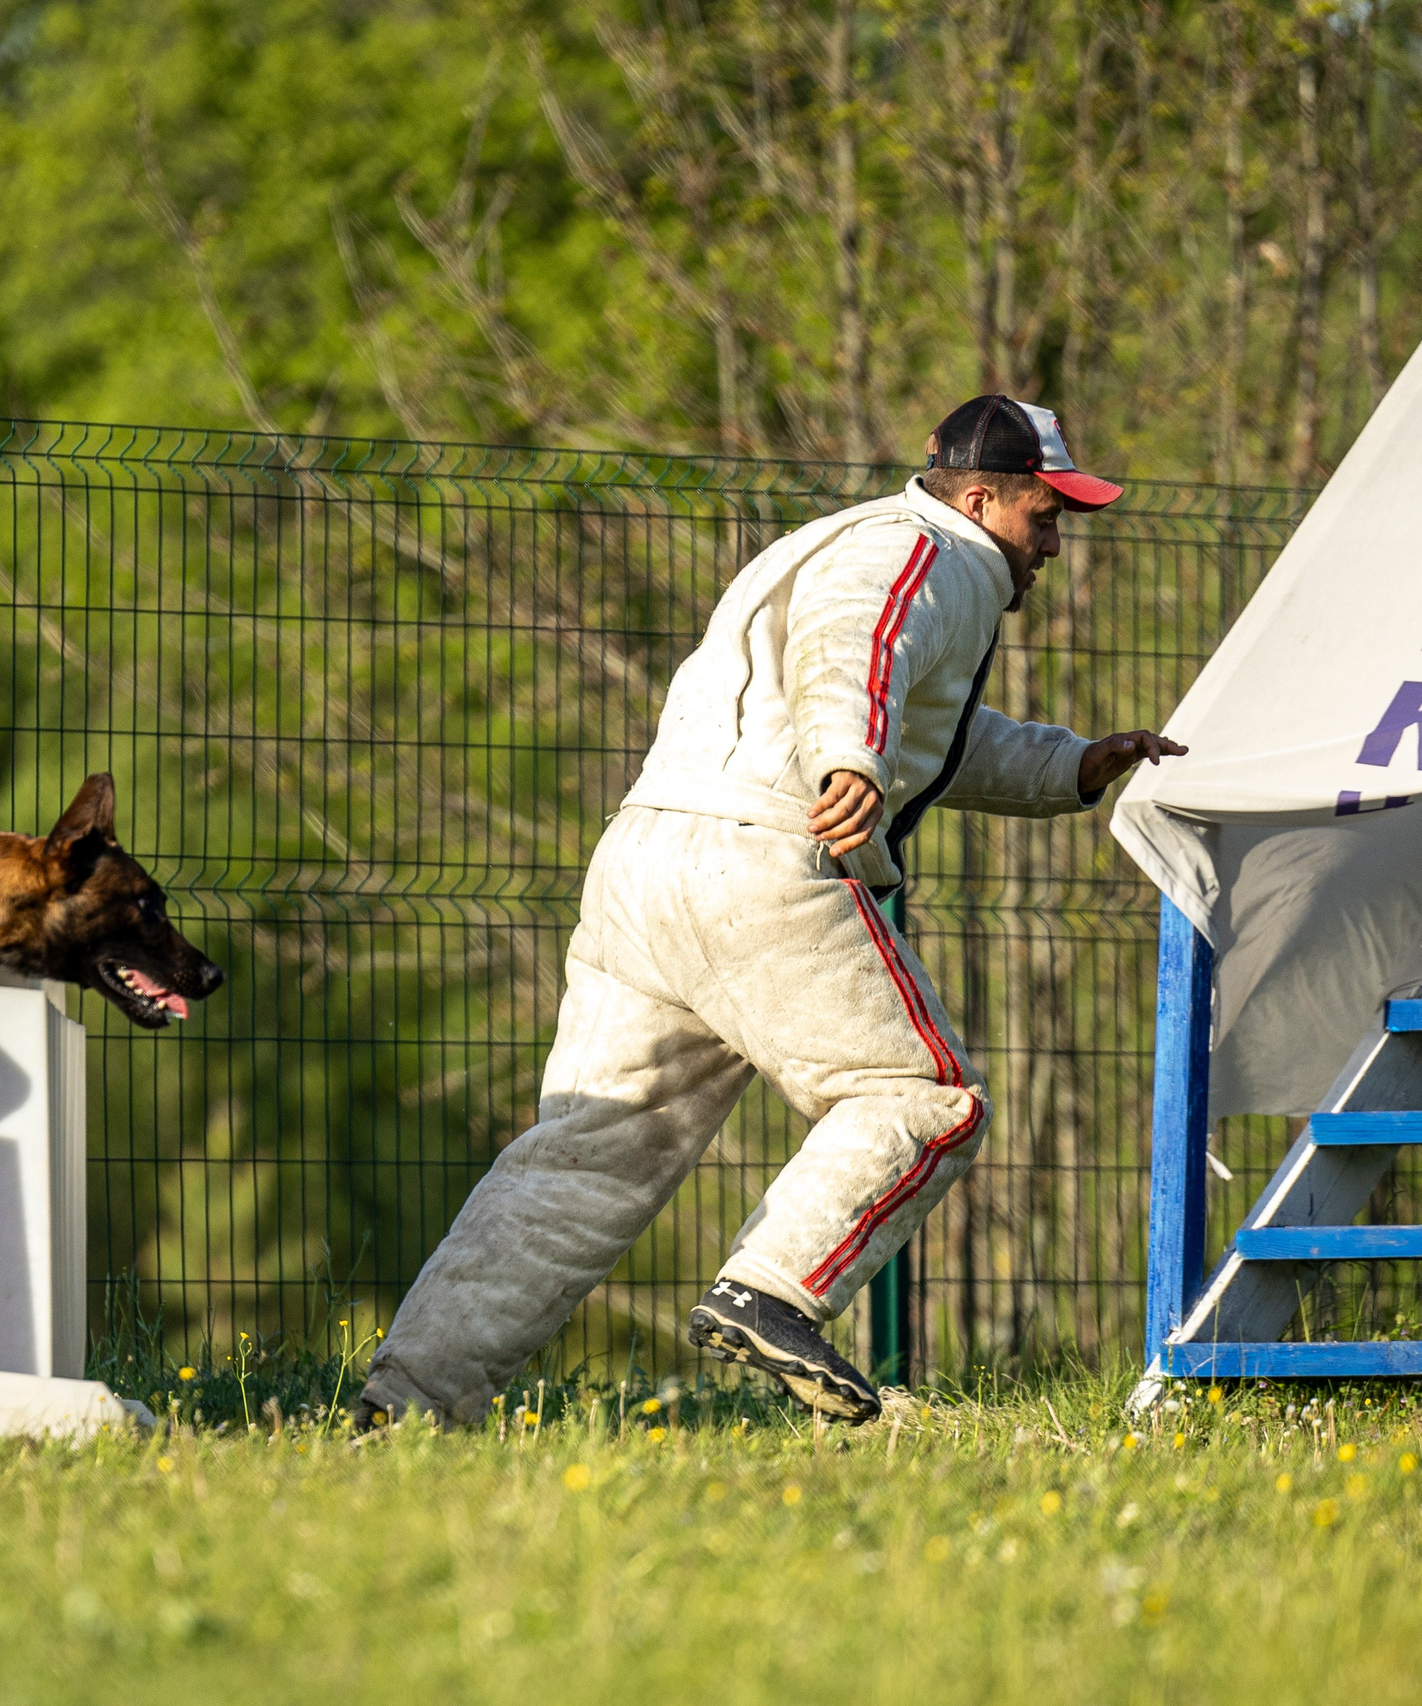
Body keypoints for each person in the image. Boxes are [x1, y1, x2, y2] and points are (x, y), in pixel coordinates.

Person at [357, 395, 1187, 1426]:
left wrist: (1071, 762)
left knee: (582, 1155)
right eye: (1044, 514)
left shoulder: (839, 538)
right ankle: (771, 1292)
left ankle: (410, 1397)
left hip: (644, 859)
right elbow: (852, 648)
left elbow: (924, 725)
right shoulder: (929, 553)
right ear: (979, 497)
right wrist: (848, 756)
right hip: (761, 856)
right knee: (923, 1098)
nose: (1054, 542)